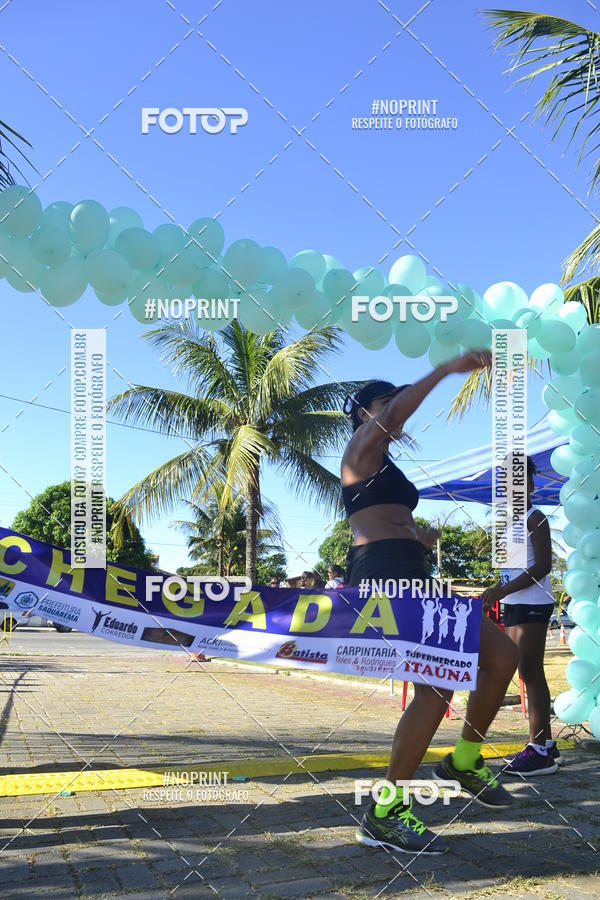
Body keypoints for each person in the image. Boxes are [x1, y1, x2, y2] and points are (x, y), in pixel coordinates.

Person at [341, 355, 520, 855]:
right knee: (436, 687)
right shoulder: (359, 447)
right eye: (386, 401)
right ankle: (384, 813)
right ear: (363, 412)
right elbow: (392, 419)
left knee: (502, 656)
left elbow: (385, 515)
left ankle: (463, 760)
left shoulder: (383, 461)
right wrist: (445, 370)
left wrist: (419, 534)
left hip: (414, 574)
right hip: (383, 577)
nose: (395, 408)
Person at [481, 456, 558, 775]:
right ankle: (546, 745)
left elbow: (543, 566)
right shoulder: (509, 524)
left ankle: (538, 750)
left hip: (533, 602)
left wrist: (501, 591)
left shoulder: (534, 517)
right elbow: (512, 569)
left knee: (530, 670)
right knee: (526, 671)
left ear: (528, 484)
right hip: (514, 603)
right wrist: (496, 590)